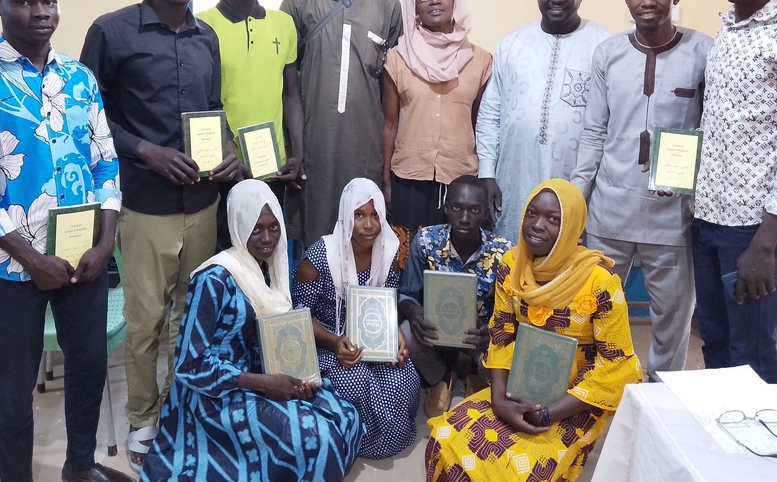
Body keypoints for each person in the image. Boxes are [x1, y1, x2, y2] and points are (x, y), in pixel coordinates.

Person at [0, 0, 129, 482]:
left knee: (89, 370)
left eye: (48, 1)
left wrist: (106, 241)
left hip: (82, 259)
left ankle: (77, 469)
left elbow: (105, 160)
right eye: (23, 1)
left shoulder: (79, 78)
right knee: (17, 390)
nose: (39, 11)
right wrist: (30, 258)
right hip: (15, 267)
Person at [79, 0, 241, 471]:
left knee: (191, 317)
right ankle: (144, 417)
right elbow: (89, 118)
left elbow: (214, 106)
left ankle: (184, 405)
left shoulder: (206, 37)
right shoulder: (112, 31)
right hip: (144, 204)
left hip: (202, 203)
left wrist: (231, 150)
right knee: (146, 321)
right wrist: (146, 150)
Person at [141, 179, 363, 481]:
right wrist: (264, 383)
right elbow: (189, 366)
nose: (267, 238)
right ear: (237, 225)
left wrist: (293, 374)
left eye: (273, 227)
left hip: (259, 376)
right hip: (212, 397)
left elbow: (280, 327)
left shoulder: (270, 269)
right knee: (318, 436)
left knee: (345, 416)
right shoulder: (214, 278)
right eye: (255, 228)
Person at [426, 179, 642, 481]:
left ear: (574, 228)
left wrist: (546, 414)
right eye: (532, 213)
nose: (537, 225)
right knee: (446, 438)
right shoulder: (512, 264)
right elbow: (501, 334)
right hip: (520, 382)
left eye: (554, 219)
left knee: (521, 468)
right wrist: (500, 402)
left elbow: (614, 365)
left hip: (575, 396)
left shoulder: (600, 282)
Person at [570, 0, 712, 377]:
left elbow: (714, 131)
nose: (648, 0)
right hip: (609, 213)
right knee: (594, 311)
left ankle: (657, 395)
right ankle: (596, 389)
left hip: (670, 218)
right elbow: (594, 132)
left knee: (672, 318)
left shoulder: (702, 51)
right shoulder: (609, 54)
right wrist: (578, 199)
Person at [692, 0, 777, 384]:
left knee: (752, 355)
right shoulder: (727, 33)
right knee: (714, 340)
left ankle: (761, 454)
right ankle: (719, 448)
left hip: (754, 231)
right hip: (707, 220)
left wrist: (765, 244)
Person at [280, 0, 402, 246]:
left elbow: (394, 87)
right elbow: (285, 85)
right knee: (314, 236)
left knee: (361, 234)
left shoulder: (387, 6)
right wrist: (294, 148)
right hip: (314, 143)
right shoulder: (298, 0)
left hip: (366, 146)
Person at [476, 0, 611, 244]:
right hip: (514, 176)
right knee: (511, 257)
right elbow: (490, 114)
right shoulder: (512, 43)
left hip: (576, 182)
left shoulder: (604, 46)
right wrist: (487, 172)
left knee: (567, 262)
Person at [292, 178, 420, 460]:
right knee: (357, 379)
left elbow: (385, 305)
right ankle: (353, 439)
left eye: (376, 215)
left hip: (370, 338)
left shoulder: (387, 252)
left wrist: (395, 337)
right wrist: (335, 341)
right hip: (324, 343)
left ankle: (385, 434)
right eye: (359, 215)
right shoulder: (319, 257)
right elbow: (298, 318)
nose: (369, 225)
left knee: (405, 376)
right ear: (345, 215)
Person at [196, 0, 304, 250]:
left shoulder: (283, 24)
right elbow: (199, 101)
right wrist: (225, 152)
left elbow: (291, 94)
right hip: (222, 168)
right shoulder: (202, 25)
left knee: (268, 250)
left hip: (272, 167)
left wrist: (298, 153)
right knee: (226, 250)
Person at [382, 0, 492, 230]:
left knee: (452, 262)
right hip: (408, 178)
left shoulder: (481, 61)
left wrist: (487, 179)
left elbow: (483, 125)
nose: (435, 1)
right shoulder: (397, 58)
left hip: (461, 181)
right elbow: (389, 124)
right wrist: (385, 179)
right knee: (407, 260)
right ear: (413, 6)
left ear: (456, 1)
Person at [398, 175, 512, 417]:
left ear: (485, 213)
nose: (464, 218)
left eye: (474, 210)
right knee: (407, 333)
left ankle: (473, 372)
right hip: (435, 330)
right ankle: (441, 377)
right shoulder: (426, 240)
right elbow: (406, 294)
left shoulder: (503, 252)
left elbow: (509, 312)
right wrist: (413, 311)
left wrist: (491, 331)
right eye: (457, 208)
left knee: (508, 348)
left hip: (478, 336)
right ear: (446, 208)